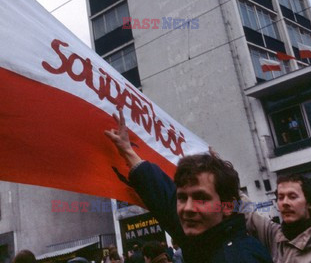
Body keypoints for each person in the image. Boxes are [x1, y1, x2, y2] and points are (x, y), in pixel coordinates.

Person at [105, 108, 272, 263]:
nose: (187, 208)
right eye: (182, 198)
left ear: (228, 206)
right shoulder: (204, 239)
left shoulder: (240, 257)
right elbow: (165, 198)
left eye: (201, 198)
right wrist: (127, 151)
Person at [244, 173, 311, 262]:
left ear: (310, 203)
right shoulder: (274, 235)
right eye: (280, 197)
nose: (285, 202)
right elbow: (245, 209)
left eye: (292, 197)